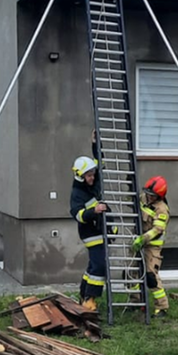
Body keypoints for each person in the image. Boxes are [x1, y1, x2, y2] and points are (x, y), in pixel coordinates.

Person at [71, 131, 107, 312]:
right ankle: (90, 300)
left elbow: (100, 160)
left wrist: (95, 143)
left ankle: (83, 294)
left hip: (102, 229)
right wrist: (94, 211)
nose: (92, 178)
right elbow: (77, 214)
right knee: (100, 265)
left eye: (92, 174)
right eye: (88, 176)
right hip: (91, 233)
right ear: (80, 176)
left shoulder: (94, 180)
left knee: (93, 265)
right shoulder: (77, 193)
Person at [133, 176, 171, 317]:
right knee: (131, 273)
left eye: (152, 195)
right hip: (138, 241)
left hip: (152, 246)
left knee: (151, 276)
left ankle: (162, 307)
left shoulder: (162, 210)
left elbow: (157, 230)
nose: (148, 197)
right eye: (147, 193)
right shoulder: (143, 197)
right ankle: (136, 301)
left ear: (159, 196)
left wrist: (143, 239)